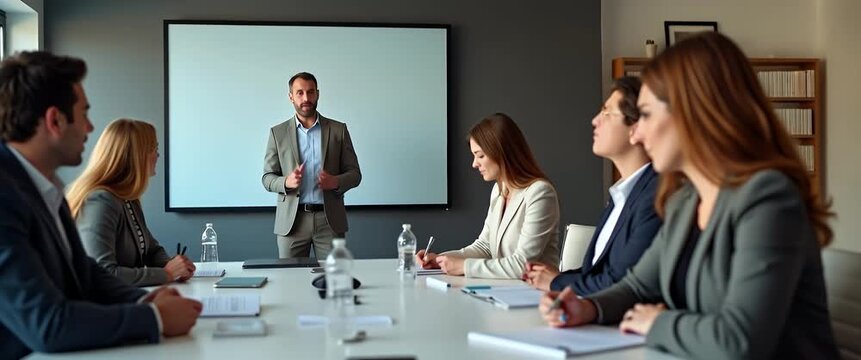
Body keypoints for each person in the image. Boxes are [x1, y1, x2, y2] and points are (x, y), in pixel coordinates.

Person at [539, 32, 839, 359]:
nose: (637, 133)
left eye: (647, 115)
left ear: (693, 112)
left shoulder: (767, 198)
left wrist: (658, 323)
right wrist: (588, 307)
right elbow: (638, 286)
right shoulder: (685, 201)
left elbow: (739, 342)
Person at [0, 51, 202, 358]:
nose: (91, 127)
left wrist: (144, 300)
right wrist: (155, 318)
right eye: (84, 114)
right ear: (55, 120)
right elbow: (48, 324)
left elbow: (86, 272)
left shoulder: (43, 187)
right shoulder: (5, 196)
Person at [523, 77, 661, 294]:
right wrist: (555, 277)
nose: (595, 120)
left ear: (635, 128)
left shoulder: (655, 196)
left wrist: (556, 282)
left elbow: (620, 283)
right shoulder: (621, 194)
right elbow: (596, 271)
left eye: (606, 113)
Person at [416, 113, 560, 279]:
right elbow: (485, 247)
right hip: (504, 291)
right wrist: (441, 259)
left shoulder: (540, 193)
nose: (474, 163)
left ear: (502, 152)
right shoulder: (499, 190)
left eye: (480, 155)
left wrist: (463, 266)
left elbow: (523, 265)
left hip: (536, 296)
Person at [66, 119, 196, 287]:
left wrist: (174, 265)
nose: (157, 155)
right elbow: (102, 273)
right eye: (154, 149)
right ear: (137, 155)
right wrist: (167, 273)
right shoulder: (100, 201)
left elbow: (150, 249)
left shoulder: (128, 198)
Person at [262, 72, 361, 260]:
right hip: (292, 223)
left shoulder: (338, 130)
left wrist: (336, 181)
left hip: (329, 220)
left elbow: (355, 174)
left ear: (318, 94)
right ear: (291, 96)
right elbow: (267, 178)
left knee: (333, 282)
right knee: (289, 283)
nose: (306, 98)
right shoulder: (278, 133)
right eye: (299, 93)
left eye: (310, 92)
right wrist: (286, 182)